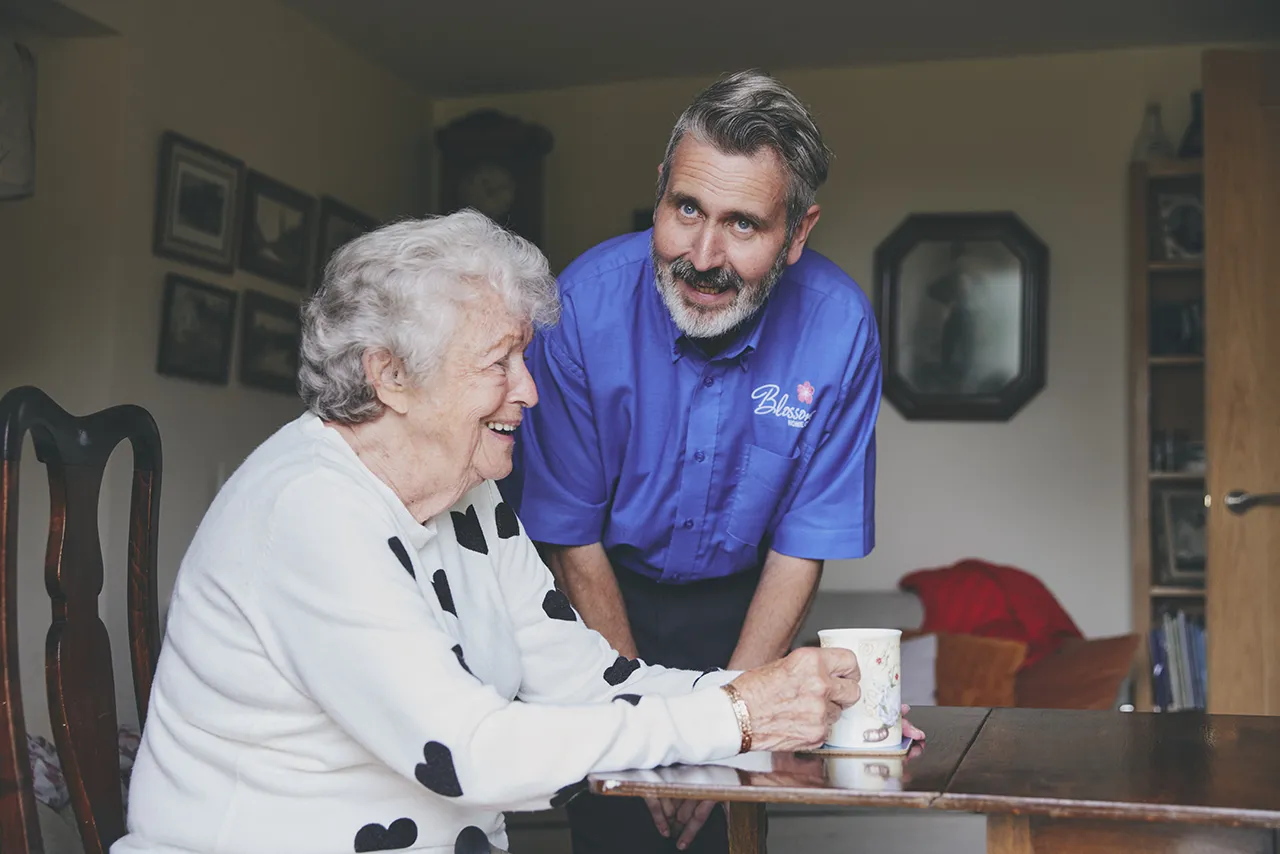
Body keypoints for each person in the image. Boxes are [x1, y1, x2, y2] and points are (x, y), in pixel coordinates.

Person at [110, 211, 873, 854]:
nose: (530, 390)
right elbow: (467, 754)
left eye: (524, 357)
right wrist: (735, 719)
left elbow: (590, 685)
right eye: (499, 363)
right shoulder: (309, 510)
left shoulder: (467, 499)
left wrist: (777, 698)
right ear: (390, 376)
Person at [506, 70, 918, 853]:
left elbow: (802, 549)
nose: (703, 254)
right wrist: (649, 732)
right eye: (686, 208)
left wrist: (724, 730)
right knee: (620, 825)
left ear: (797, 233)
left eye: (743, 225)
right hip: (599, 595)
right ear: (660, 190)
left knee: (728, 828)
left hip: (744, 610)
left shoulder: (839, 330)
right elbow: (573, 540)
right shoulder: (580, 308)